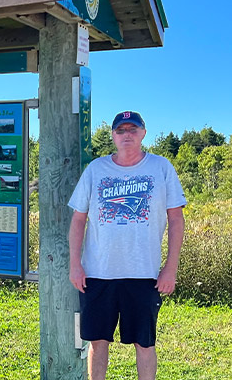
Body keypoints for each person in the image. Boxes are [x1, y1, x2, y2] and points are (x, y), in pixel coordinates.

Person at [67, 111, 186, 380]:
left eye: (133, 129)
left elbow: (176, 219)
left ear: (143, 133)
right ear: (113, 136)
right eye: (121, 130)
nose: (127, 135)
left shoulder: (161, 167)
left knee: (144, 343)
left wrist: (170, 268)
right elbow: (78, 220)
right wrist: (75, 264)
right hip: (98, 273)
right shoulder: (96, 169)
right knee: (97, 342)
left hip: (143, 273)